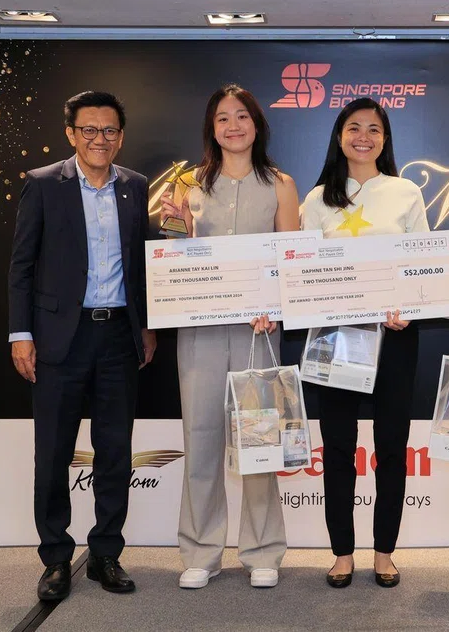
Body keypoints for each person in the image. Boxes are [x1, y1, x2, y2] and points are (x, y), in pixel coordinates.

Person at [8, 91, 156, 601]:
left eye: (109, 131)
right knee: (52, 452)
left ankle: (105, 554)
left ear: (121, 136)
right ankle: (54, 558)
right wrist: (20, 333)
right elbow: (21, 267)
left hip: (119, 336)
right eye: (89, 130)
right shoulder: (44, 184)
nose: (100, 139)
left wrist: (147, 325)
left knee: (114, 451)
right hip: (57, 340)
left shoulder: (135, 187)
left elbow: (141, 266)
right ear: (71, 133)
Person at [159, 84, 300, 590]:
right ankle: (201, 551)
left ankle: (262, 552)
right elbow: (177, 256)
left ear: (257, 125)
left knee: (260, 441)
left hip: (258, 333)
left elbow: (293, 259)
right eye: (223, 118)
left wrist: (274, 306)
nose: (233, 125)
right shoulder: (188, 182)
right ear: (211, 128)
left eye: (242, 116)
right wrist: (174, 230)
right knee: (200, 440)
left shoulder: (280, 183)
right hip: (198, 332)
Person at [301, 98, 429, 588]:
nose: (363, 136)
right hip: (337, 340)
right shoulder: (317, 200)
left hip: (395, 337)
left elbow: (423, 264)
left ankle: (384, 551)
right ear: (339, 136)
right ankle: (341, 552)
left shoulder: (404, 192)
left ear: (385, 138)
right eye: (354, 127)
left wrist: (408, 308)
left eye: (374, 129)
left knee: (392, 447)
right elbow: (305, 274)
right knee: (337, 447)